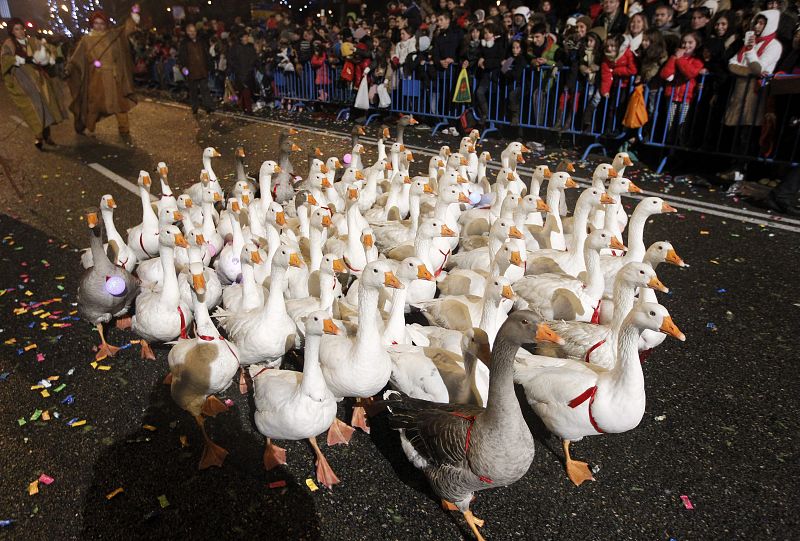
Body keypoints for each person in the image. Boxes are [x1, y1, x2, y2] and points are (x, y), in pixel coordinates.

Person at [66, 6, 141, 135]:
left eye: (102, 23)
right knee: (94, 104)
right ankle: (84, 125)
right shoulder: (86, 40)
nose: (99, 26)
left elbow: (126, 29)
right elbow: (77, 57)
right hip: (96, 78)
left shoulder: (113, 35)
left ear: (106, 24)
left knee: (119, 103)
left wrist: (134, 15)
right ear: (92, 24)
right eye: (96, 23)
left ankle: (124, 128)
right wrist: (70, 68)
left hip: (114, 76)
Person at [1, 18, 67, 149]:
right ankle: (39, 136)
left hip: (40, 79)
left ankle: (47, 136)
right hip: (24, 81)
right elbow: (4, 59)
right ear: (12, 31)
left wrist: (54, 54)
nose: (20, 32)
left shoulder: (32, 41)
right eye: (16, 29)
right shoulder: (8, 44)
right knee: (34, 108)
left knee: (46, 106)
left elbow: (48, 48)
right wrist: (21, 59)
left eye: (21, 28)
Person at [178, 23, 215, 115]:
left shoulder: (201, 41)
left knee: (205, 89)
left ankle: (209, 106)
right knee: (193, 90)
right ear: (187, 32)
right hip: (191, 70)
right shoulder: (184, 43)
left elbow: (206, 54)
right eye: (190, 31)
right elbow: (181, 57)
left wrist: (209, 65)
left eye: (194, 31)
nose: (192, 33)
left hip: (202, 69)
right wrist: (183, 67)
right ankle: (195, 107)